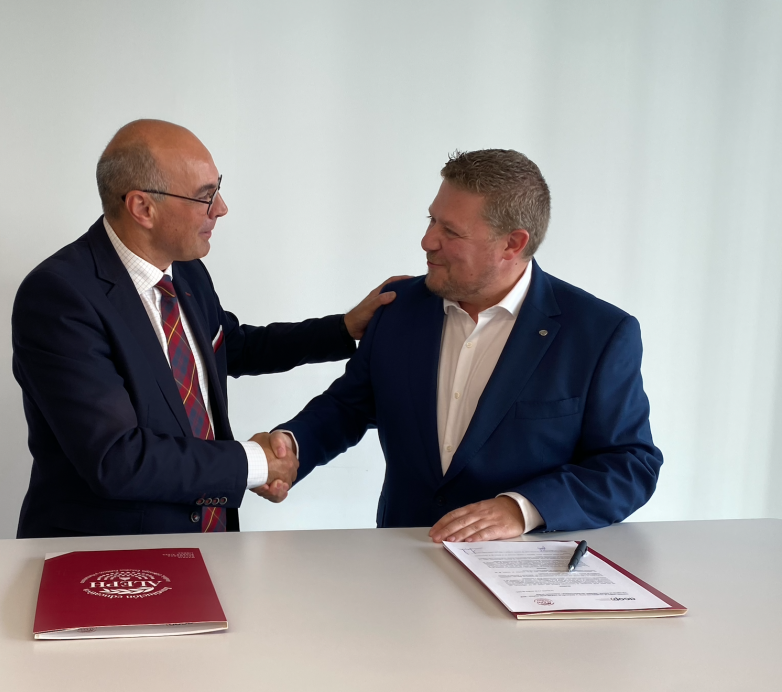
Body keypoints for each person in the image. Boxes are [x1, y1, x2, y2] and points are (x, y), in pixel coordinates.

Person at [13, 119, 401, 538]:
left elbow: (232, 345)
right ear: (143, 208)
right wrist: (255, 463)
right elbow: (117, 459)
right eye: (205, 196)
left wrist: (343, 328)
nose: (221, 208)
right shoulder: (59, 297)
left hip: (210, 543)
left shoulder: (187, 271)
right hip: (110, 554)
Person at [268, 149, 662, 540]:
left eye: (451, 232)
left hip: (523, 565)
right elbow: (348, 408)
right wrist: (290, 447)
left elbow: (629, 465)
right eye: (431, 220)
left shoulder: (599, 333)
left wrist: (523, 508)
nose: (427, 241)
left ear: (512, 244)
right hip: (403, 554)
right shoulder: (397, 307)